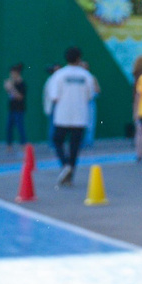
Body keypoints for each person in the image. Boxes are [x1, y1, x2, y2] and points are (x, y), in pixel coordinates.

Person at [43, 47, 98, 186]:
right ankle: (70, 173)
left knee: (57, 141)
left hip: (62, 115)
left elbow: (54, 96)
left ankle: (65, 164)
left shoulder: (59, 75)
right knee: (75, 147)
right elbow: (90, 96)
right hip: (80, 116)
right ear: (79, 58)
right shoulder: (86, 75)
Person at [3, 64, 27, 150]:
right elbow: (10, 94)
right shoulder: (12, 83)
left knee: (20, 127)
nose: (11, 75)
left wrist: (11, 88)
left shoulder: (22, 84)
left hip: (19, 109)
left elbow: (20, 97)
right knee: (9, 127)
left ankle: (23, 144)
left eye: (13, 73)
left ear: (17, 73)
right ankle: (9, 145)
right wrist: (8, 87)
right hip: (11, 109)